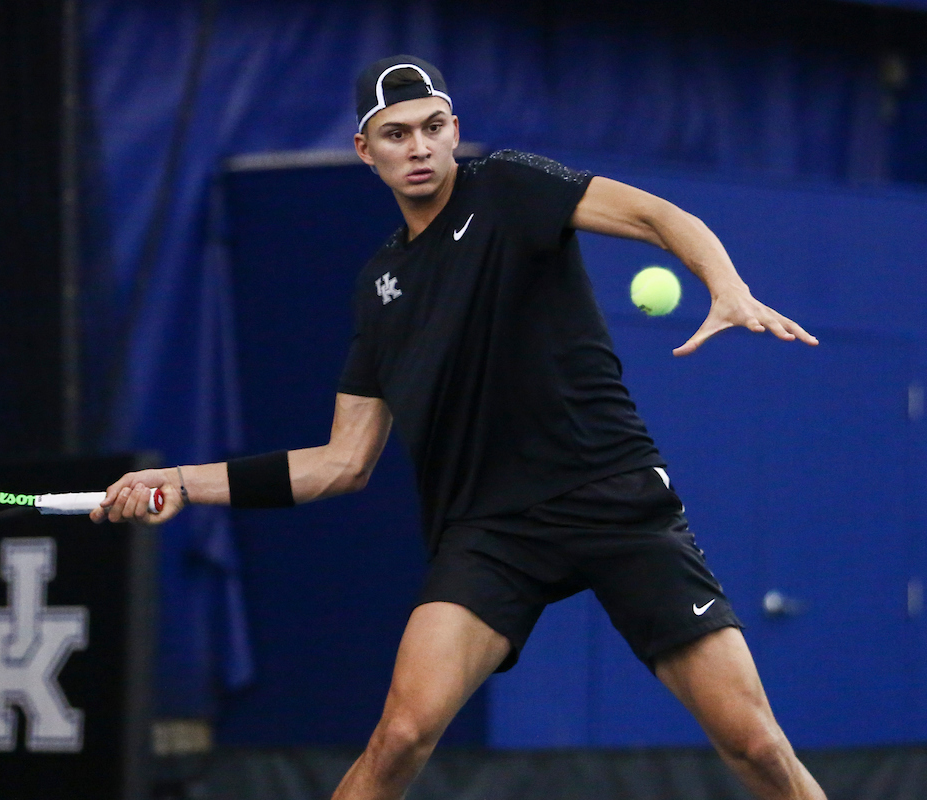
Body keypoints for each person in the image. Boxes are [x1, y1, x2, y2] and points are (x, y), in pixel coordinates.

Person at [93, 55, 826, 800]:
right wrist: (181, 481)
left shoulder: (509, 186)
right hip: (490, 533)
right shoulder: (380, 288)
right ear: (365, 150)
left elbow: (657, 217)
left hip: (614, 498)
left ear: (453, 131)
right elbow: (341, 462)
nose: (418, 147)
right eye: (396, 134)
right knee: (400, 736)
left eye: (432, 127)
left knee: (755, 744)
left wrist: (726, 286)